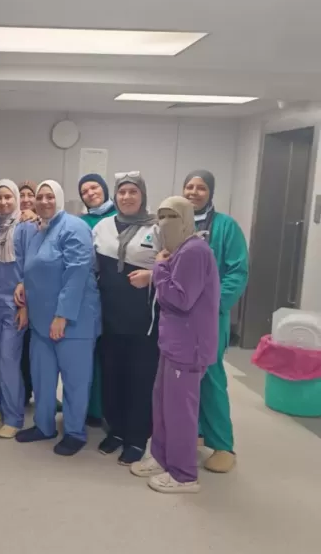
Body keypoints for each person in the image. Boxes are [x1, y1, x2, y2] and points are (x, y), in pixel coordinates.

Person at [130, 197, 220, 494]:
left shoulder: (195, 251)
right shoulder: (180, 250)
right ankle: (161, 457)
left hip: (189, 347)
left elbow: (181, 299)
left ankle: (183, 475)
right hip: (173, 344)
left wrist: (158, 268)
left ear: (186, 219)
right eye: (161, 216)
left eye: (171, 216)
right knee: (163, 405)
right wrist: (162, 267)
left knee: (180, 412)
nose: (163, 223)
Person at [13, 180, 101, 455]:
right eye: (40, 197)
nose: (44, 201)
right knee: (42, 377)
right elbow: (32, 269)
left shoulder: (74, 228)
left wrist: (62, 315)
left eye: (50, 196)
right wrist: (23, 290)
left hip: (74, 321)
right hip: (41, 321)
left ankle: (75, 432)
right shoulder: (38, 232)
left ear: (60, 198)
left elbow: (77, 272)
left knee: (75, 380)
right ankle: (44, 425)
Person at [182, 170, 248, 473]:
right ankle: (195, 431)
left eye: (201, 188)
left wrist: (213, 305)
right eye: (189, 187)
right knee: (181, 377)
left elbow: (238, 271)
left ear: (211, 192)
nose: (194, 192)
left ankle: (223, 445)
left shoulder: (226, 227)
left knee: (210, 377)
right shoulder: (175, 224)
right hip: (178, 317)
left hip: (209, 318)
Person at [94, 172, 161, 466]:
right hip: (109, 318)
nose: (127, 197)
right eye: (122, 192)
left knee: (140, 380)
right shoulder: (102, 227)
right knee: (112, 377)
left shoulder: (157, 227)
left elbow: (177, 268)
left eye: (133, 191)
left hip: (143, 322)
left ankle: (137, 438)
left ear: (142, 195)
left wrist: (152, 275)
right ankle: (117, 431)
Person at [0, 180, 27, 438]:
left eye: (8, 197)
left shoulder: (25, 227)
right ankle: (1, 405)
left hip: (15, 304)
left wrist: (26, 306)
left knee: (9, 360)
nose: (3, 202)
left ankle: (14, 417)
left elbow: (31, 268)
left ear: (16, 199)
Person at [78, 173, 117, 428]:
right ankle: (90, 408)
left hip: (117, 297)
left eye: (94, 187)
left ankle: (110, 410)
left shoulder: (119, 218)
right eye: (85, 191)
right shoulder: (80, 222)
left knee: (111, 356)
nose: (91, 193)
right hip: (88, 296)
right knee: (88, 356)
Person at [17, 180, 37, 405]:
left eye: (30, 195)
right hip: (15, 294)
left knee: (37, 350)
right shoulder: (9, 222)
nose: (25, 199)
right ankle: (23, 393)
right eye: (21, 195)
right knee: (21, 349)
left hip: (38, 294)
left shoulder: (41, 223)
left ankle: (40, 392)